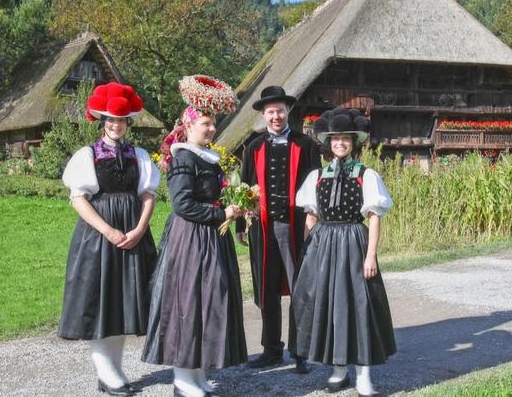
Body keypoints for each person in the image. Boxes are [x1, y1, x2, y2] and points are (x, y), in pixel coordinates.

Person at [143, 75, 247, 397]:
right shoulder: (184, 157)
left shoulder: (206, 157)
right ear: (189, 126)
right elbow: (182, 204)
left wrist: (236, 206)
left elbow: (212, 196)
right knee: (187, 305)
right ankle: (182, 379)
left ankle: (197, 373)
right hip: (190, 239)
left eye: (213, 124)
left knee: (207, 303)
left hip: (211, 239)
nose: (212, 129)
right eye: (206, 124)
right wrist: (221, 214)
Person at [60, 82, 160, 396]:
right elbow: (78, 199)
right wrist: (108, 230)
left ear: (128, 122)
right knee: (102, 301)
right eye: (111, 120)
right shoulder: (87, 155)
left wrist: (139, 229)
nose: (116, 125)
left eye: (121, 120)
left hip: (133, 234)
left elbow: (148, 195)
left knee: (123, 303)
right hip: (99, 238)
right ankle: (107, 372)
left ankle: (113, 372)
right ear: (103, 121)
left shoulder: (139, 156)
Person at [292, 108, 396, 396]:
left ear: (353, 143)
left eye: (346, 139)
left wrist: (370, 256)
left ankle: (363, 375)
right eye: (336, 139)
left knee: (359, 305)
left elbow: (374, 217)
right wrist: (307, 252)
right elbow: (311, 216)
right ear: (329, 143)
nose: (340, 143)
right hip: (323, 245)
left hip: (353, 242)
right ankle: (338, 370)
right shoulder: (317, 176)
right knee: (330, 306)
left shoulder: (366, 175)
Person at [235, 86, 320, 373]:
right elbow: (244, 187)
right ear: (263, 114)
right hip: (262, 228)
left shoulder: (305, 145)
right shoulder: (254, 147)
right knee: (266, 289)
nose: (276, 116)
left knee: (299, 288)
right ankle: (271, 350)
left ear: (288, 111)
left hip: (295, 226)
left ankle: (301, 351)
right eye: (271, 112)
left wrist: (314, 222)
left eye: (280, 111)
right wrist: (240, 226)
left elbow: (316, 187)